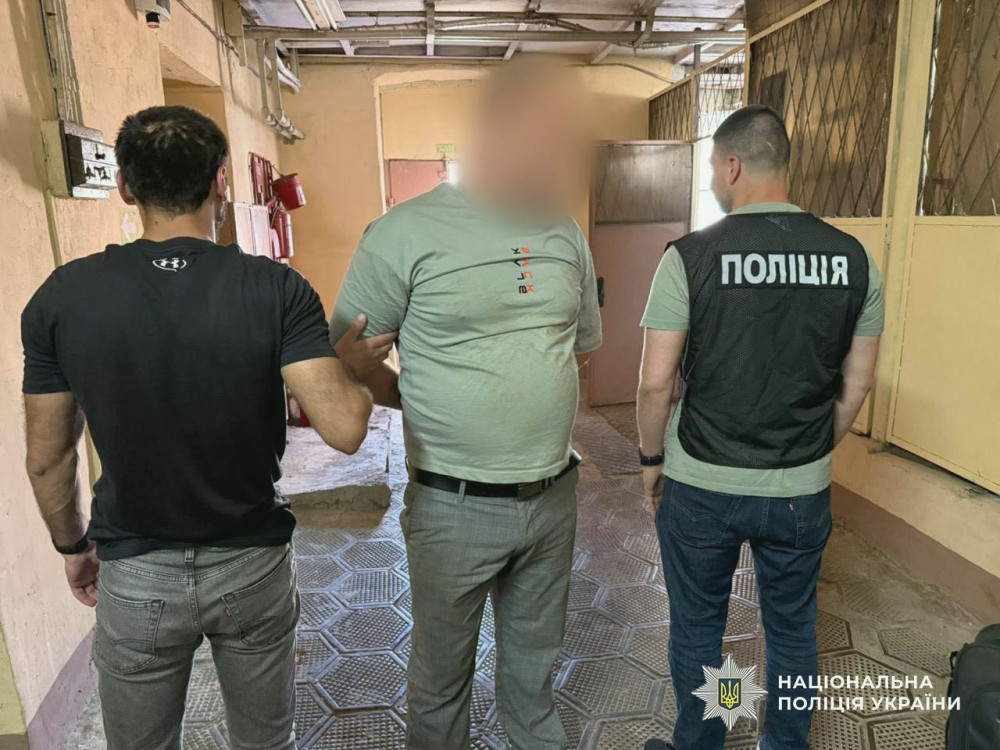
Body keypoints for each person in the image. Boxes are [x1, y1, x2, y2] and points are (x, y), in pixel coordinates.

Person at [21, 105, 372, 750]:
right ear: (220, 182)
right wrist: (345, 368)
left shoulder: (63, 297)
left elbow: (48, 459)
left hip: (134, 569)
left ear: (125, 188)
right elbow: (346, 428)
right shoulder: (276, 288)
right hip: (251, 562)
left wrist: (73, 547)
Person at [331, 60, 601, 750]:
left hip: (552, 496)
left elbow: (573, 348)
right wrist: (391, 385)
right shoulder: (403, 232)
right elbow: (349, 356)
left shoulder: (566, 231)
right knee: (441, 681)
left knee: (535, 676)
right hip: (452, 505)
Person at [637, 106, 883, 750]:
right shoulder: (854, 258)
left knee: (700, 628)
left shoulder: (689, 256)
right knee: (793, 628)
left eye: (712, 168)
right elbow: (858, 384)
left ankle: (704, 739)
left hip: (701, 482)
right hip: (800, 489)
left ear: (733, 166)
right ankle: (783, 743)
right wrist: (812, 450)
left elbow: (656, 384)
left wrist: (651, 460)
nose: (712, 180)